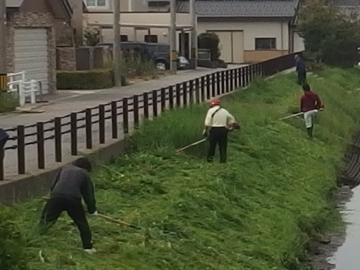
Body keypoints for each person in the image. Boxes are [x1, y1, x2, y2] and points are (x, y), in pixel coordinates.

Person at [39, 157, 98, 254]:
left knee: (46, 220)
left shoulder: (64, 168)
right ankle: (88, 247)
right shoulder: (84, 174)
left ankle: (38, 239)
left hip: (56, 196)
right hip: (73, 198)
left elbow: (54, 185)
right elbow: (88, 195)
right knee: (81, 223)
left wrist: (52, 196)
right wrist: (92, 210)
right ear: (86, 168)